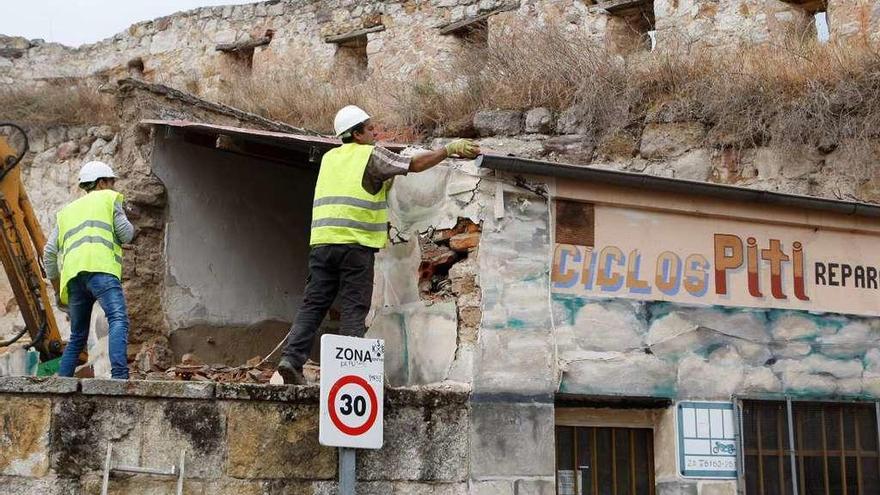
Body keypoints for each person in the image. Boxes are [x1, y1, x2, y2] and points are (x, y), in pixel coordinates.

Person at [277, 105, 480, 384]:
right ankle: (349, 376)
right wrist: (447, 149)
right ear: (357, 134)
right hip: (355, 246)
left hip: (322, 244)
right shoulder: (371, 155)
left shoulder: (329, 159)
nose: (376, 133)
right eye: (370, 128)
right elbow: (416, 164)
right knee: (354, 308)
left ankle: (291, 360)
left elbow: (361, 186)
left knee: (313, 305)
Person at [44, 160, 135, 379]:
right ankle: (120, 378)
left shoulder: (67, 211)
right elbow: (127, 235)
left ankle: (62, 382)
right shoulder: (109, 199)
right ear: (102, 182)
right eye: (111, 182)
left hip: (75, 279)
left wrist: (57, 288)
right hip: (101, 271)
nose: (113, 187)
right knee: (118, 319)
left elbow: (48, 253)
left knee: (77, 336)